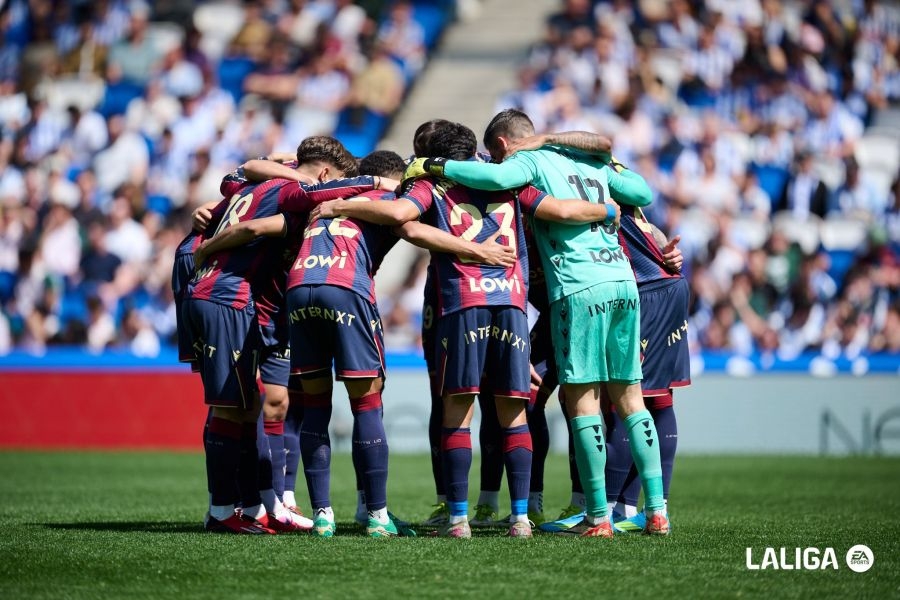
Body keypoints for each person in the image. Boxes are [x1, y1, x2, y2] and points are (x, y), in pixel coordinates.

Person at [312, 120, 622, 538]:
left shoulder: (431, 181)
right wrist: (607, 210)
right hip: (511, 305)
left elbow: (402, 217)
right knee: (514, 414)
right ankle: (521, 518)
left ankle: (457, 519)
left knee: (458, 413)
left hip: (464, 303)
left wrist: (340, 206)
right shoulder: (508, 177)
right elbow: (558, 210)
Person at [194, 149, 513, 538]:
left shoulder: (323, 197)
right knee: (367, 402)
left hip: (298, 290)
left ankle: (323, 514)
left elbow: (250, 205)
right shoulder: (394, 198)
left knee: (314, 406)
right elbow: (410, 228)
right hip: (346, 289)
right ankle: (375, 514)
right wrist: (480, 250)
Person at [402, 109, 670, 536]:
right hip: (622, 282)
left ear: (504, 146)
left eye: (496, 154)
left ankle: (597, 515)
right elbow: (640, 190)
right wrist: (606, 194)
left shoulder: (524, 162)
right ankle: (657, 511)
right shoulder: (588, 160)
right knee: (630, 399)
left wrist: (432, 166)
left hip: (576, 286)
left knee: (580, 403)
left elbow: (494, 183)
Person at [183, 136, 390, 534]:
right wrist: (377, 184)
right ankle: (223, 510)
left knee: (250, 405)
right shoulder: (294, 191)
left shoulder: (252, 184)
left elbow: (236, 175)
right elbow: (257, 225)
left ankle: (256, 505)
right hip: (228, 295)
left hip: (229, 297)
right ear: (326, 175)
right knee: (233, 408)